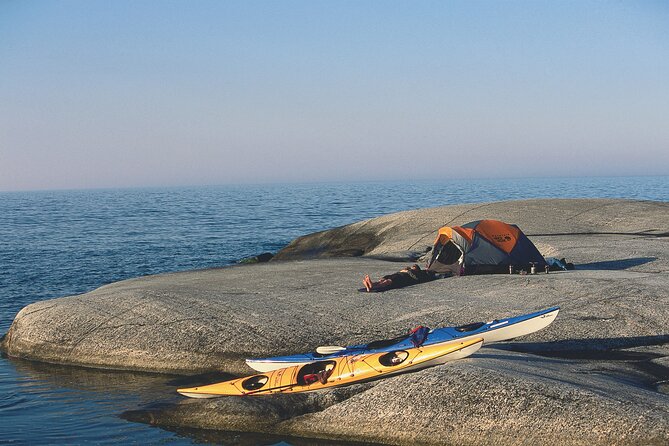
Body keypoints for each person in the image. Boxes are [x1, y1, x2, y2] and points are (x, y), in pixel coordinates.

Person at [362, 264, 439, 292]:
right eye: (412, 267)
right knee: (383, 279)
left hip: (402, 279)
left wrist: (408, 271)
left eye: (414, 268)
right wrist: (405, 270)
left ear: (417, 269)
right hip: (397, 275)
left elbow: (416, 278)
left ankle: (372, 286)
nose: (412, 268)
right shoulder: (408, 270)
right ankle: (371, 285)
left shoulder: (417, 274)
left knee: (388, 281)